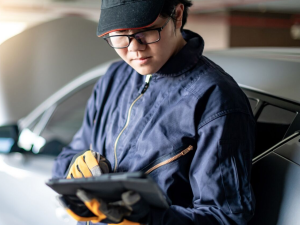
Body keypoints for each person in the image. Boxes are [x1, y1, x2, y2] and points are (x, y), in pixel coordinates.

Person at [52, 0, 256, 224]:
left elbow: (225, 216)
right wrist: (73, 166)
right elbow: (71, 154)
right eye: (119, 35)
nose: (133, 48)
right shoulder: (114, 77)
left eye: (146, 32)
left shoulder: (215, 98)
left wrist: (148, 220)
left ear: (177, 15)